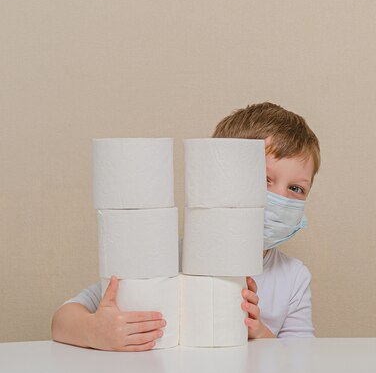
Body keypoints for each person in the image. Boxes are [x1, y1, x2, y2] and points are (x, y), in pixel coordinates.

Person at [51, 102, 321, 351]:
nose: (280, 197)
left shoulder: (293, 278)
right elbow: (62, 319)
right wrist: (94, 330)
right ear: (218, 178)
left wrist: (260, 332)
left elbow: (301, 358)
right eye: (263, 179)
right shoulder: (168, 258)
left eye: (296, 188)